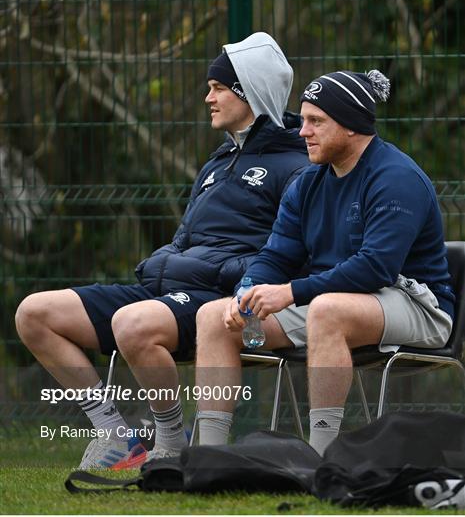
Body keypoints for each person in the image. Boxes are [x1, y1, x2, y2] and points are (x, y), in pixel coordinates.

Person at [15, 32, 309, 468]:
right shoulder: (218, 160)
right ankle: (114, 434)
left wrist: (216, 272)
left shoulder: (296, 167)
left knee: (132, 325)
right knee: (35, 314)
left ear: (248, 92)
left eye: (218, 87)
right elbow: (188, 236)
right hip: (167, 289)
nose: (207, 97)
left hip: (215, 299)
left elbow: (287, 256)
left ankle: (171, 441)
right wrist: (163, 260)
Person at [195, 68, 455, 456]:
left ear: (351, 125)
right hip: (334, 300)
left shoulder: (396, 177)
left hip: (417, 304)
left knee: (327, 311)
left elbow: (376, 268)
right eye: (303, 121)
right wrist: (246, 292)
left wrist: (290, 292)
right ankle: (208, 454)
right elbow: (277, 254)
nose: (303, 132)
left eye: (316, 121)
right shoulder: (308, 181)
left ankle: (321, 458)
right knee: (213, 318)